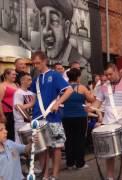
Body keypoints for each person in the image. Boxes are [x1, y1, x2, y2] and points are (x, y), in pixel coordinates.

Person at [30, 51, 73, 180]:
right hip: (38, 117)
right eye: (34, 63)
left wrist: (58, 103)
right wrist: (23, 107)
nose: (36, 65)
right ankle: (45, 175)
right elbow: (34, 100)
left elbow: (69, 90)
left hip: (53, 117)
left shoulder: (54, 75)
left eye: (38, 63)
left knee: (57, 147)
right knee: (42, 148)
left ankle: (54, 175)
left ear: (45, 61)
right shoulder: (36, 80)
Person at [34, 0, 91, 83]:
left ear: (67, 28)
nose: (46, 31)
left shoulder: (80, 60)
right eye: (43, 22)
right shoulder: (41, 59)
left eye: (53, 21)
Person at [62, 68, 95, 169]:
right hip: (80, 116)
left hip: (66, 117)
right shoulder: (82, 88)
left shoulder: (64, 87)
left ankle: (69, 163)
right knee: (80, 139)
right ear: (78, 77)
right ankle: (80, 163)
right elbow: (91, 99)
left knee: (68, 139)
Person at [13, 72, 34, 144]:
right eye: (28, 80)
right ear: (22, 80)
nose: (31, 82)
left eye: (31, 80)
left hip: (30, 122)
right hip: (21, 123)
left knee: (30, 144)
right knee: (21, 144)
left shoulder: (31, 93)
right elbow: (18, 107)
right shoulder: (18, 92)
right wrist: (32, 103)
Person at [0, 68, 17, 141]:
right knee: (8, 132)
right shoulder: (2, 86)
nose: (15, 76)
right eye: (13, 74)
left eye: (15, 74)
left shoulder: (15, 84)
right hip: (7, 112)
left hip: (15, 112)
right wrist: (2, 115)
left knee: (14, 132)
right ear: (6, 75)